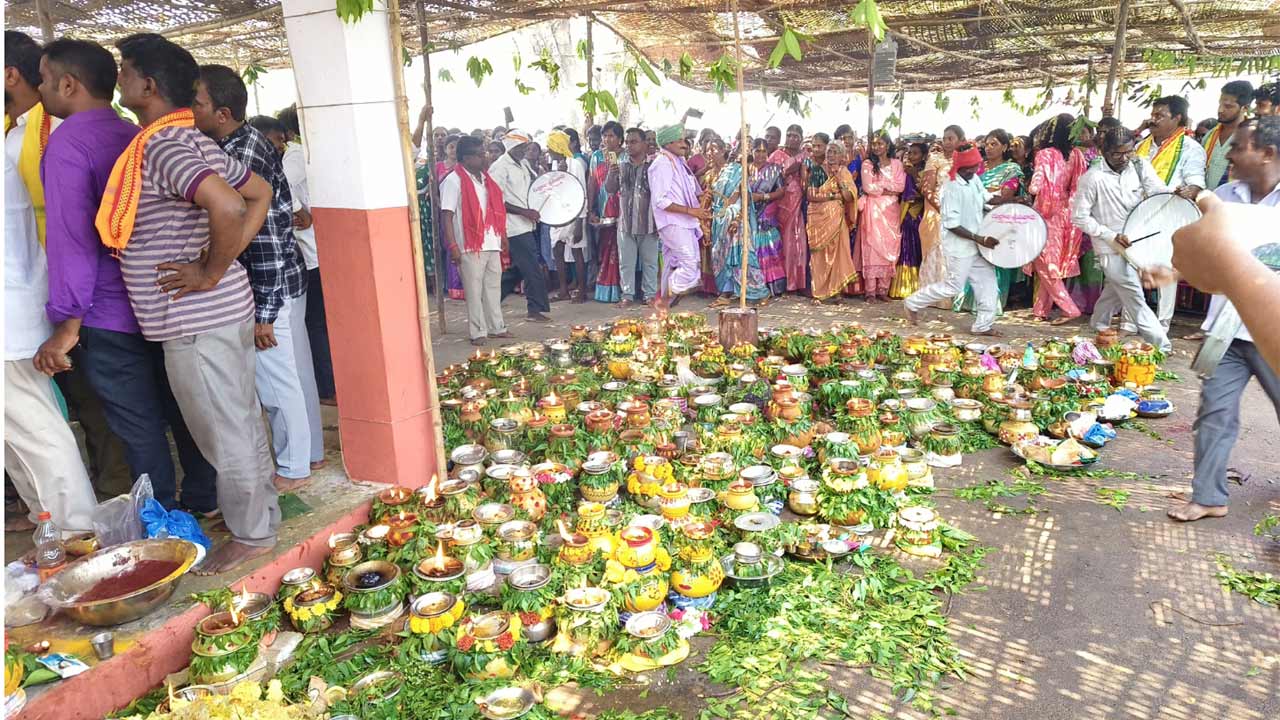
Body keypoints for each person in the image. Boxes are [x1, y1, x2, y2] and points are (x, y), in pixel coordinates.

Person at [108, 33, 279, 574]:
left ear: (147, 85)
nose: (119, 79)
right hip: (216, 313)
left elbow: (231, 204)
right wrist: (219, 268)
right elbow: (259, 194)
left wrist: (210, 269)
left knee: (223, 432)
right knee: (239, 422)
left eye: (124, 70)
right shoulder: (191, 140)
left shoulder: (164, 146)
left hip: (196, 318)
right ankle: (260, 518)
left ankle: (253, 535)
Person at [34, 38, 220, 516]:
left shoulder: (68, 144)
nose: (39, 88)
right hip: (156, 299)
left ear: (68, 83)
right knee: (179, 410)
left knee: (138, 425)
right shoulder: (131, 134)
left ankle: (163, 520)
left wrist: (67, 325)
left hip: (107, 311)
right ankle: (203, 500)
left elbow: (73, 241)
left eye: (43, 78)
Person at [193, 65, 324, 494]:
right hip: (285, 277)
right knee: (293, 374)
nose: (190, 111)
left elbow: (266, 235)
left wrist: (264, 311)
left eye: (197, 103)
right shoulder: (241, 142)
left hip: (271, 284)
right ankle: (307, 454)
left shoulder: (240, 153)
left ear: (223, 111)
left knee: (275, 380)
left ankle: (292, 466)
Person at [1163, 117, 1280, 523]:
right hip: (1226, 330)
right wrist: (1173, 273)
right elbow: (1208, 256)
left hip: (1272, 329)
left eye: (1238, 147)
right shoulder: (1223, 197)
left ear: (1267, 153)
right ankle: (1209, 495)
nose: (1227, 155)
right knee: (1214, 412)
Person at [5, 95, 98, 536]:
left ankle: (76, 528)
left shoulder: (23, 144)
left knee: (37, 433)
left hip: (10, 319)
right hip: (17, 307)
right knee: (17, 435)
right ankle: (48, 522)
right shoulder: (11, 146)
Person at [1070, 127, 1172, 352]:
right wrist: (1110, 235)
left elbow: (1159, 193)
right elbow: (1078, 217)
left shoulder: (1139, 165)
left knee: (1117, 288)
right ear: (1103, 151)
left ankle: (1098, 323)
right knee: (1134, 294)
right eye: (1118, 154)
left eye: (1129, 152)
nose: (1124, 158)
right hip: (1109, 247)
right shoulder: (1092, 178)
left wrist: (1176, 195)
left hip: (1138, 242)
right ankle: (1161, 345)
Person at [905, 143, 1002, 336]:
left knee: (988, 283)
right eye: (971, 167)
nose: (975, 169)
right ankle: (912, 303)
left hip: (977, 244)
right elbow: (952, 224)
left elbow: (987, 199)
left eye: (976, 165)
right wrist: (979, 239)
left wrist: (1013, 201)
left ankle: (982, 325)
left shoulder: (973, 179)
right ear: (961, 168)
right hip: (959, 247)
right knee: (953, 286)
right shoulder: (951, 188)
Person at [278, 105, 335, 406]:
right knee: (317, 322)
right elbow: (283, 185)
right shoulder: (296, 154)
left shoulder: (305, 152)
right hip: (311, 250)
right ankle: (326, 386)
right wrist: (301, 211)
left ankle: (328, 382)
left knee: (321, 321)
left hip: (319, 248)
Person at [1136, 95, 1208, 330]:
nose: (1153, 120)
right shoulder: (1141, 146)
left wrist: (1189, 190)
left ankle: (1162, 323)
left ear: (1177, 118)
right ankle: (1132, 318)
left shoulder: (1190, 148)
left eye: (1160, 115)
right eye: (1153, 114)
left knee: (1166, 266)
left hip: (1171, 213)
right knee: (1134, 265)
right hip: (1140, 214)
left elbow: (1196, 182)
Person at [441, 135, 510, 345]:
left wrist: (503, 236)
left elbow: (497, 210)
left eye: (485, 153)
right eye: (481, 155)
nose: (485, 158)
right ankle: (477, 332)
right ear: (467, 158)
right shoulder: (453, 180)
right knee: (473, 290)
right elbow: (447, 215)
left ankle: (497, 327)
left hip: (491, 241)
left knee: (493, 287)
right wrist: (453, 246)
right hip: (469, 245)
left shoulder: (486, 179)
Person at [1024, 114, 1087, 325]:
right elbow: (1079, 185)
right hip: (1067, 212)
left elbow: (1038, 182)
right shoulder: (1076, 154)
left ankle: (1070, 309)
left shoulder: (1045, 153)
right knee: (1051, 263)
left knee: (1044, 263)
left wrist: (1032, 189)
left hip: (1046, 212)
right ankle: (1040, 309)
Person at [955, 128, 1025, 314]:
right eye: (986, 144)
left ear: (1004, 147)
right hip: (974, 217)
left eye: (994, 144)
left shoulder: (1012, 169)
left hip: (997, 218)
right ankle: (971, 301)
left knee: (993, 260)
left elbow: (1005, 194)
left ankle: (991, 302)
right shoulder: (978, 168)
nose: (989, 148)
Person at [487, 128, 552, 322]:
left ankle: (489, 302)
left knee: (517, 269)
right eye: (521, 146)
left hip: (526, 223)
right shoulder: (500, 168)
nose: (524, 150)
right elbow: (496, 200)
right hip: (513, 225)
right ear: (512, 146)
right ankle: (535, 309)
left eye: (526, 146)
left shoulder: (523, 164)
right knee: (531, 266)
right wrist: (525, 212)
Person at [648, 124, 708, 309]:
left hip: (685, 222)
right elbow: (661, 201)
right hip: (673, 222)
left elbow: (690, 190)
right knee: (690, 265)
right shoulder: (662, 163)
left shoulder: (679, 162)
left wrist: (702, 197)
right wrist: (693, 211)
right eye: (680, 140)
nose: (685, 144)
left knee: (671, 265)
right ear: (667, 142)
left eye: (684, 140)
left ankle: (662, 310)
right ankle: (665, 297)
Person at [608, 126, 660, 308]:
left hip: (648, 223)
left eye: (634, 142)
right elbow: (610, 189)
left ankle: (650, 295)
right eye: (628, 142)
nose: (629, 146)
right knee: (626, 263)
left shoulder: (654, 167)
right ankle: (627, 295)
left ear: (645, 144)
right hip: (626, 224)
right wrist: (611, 174)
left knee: (650, 262)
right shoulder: (620, 166)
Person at [807, 140, 860, 304]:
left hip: (837, 219)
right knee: (818, 256)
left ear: (842, 155)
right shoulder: (817, 171)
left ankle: (837, 292)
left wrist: (838, 177)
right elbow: (810, 195)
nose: (831, 155)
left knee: (838, 254)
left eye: (835, 152)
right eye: (829, 151)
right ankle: (818, 292)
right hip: (817, 218)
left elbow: (849, 196)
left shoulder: (844, 172)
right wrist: (833, 196)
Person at [856, 131, 905, 301]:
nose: (877, 147)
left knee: (890, 246)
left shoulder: (897, 164)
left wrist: (881, 186)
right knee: (872, 246)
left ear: (888, 145)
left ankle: (883, 290)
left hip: (891, 209)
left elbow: (900, 186)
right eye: (874, 144)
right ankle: (870, 291)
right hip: (873, 209)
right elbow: (868, 188)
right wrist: (887, 188)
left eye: (880, 143)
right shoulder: (868, 164)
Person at [919, 125, 964, 298]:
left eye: (950, 138)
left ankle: (954, 297)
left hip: (959, 211)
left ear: (960, 140)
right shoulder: (934, 159)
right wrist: (942, 208)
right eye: (944, 138)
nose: (946, 142)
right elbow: (926, 189)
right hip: (936, 211)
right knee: (936, 251)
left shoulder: (965, 161)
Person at [545, 130, 588, 304]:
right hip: (559, 215)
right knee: (557, 250)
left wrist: (579, 221)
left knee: (577, 251)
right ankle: (564, 290)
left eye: (550, 147)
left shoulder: (575, 164)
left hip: (574, 213)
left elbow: (581, 191)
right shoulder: (555, 165)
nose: (548, 150)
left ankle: (582, 290)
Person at [769, 124, 809, 292]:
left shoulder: (807, 155)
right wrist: (796, 162)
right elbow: (773, 175)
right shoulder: (777, 154)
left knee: (798, 242)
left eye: (796, 135)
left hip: (799, 201)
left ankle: (797, 282)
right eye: (789, 135)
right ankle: (783, 283)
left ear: (801, 138)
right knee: (783, 243)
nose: (792, 138)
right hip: (780, 203)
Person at [589, 121, 625, 303]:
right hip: (604, 209)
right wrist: (590, 210)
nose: (607, 139)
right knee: (604, 249)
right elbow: (592, 183)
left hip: (623, 209)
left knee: (622, 251)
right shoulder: (596, 156)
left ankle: (623, 289)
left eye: (611, 135)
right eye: (605, 136)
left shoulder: (626, 155)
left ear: (620, 139)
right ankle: (605, 290)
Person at [747, 137, 788, 297]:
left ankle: (774, 286)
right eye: (758, 151)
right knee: (753, 248)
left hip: (767, 212)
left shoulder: (774, 169)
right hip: (749, 214)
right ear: (752, 152)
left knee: (769, 249)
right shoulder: (746, 169)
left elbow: (781, 191)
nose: (761, 155)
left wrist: (763, 197)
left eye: (764, 151)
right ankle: (755, 286)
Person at [890, 141, 928, 299]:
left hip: (917, 214)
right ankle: (902, 286)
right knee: (904, 248)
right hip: (904, 214)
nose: (911, 156)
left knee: (915, 248)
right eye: (910, 153)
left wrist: (914, 174)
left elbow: (925, 192)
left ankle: (914, 285)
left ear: (924, 156)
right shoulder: (904, 171)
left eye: (916, 153)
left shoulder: (925, 172)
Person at [1202, 80, 1254, 190]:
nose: (1220, 110)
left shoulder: (1252, 138)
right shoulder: (1210, 136)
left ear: (1245, 108)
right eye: (1220, 104)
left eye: (1228, 106)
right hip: (1202, 201)